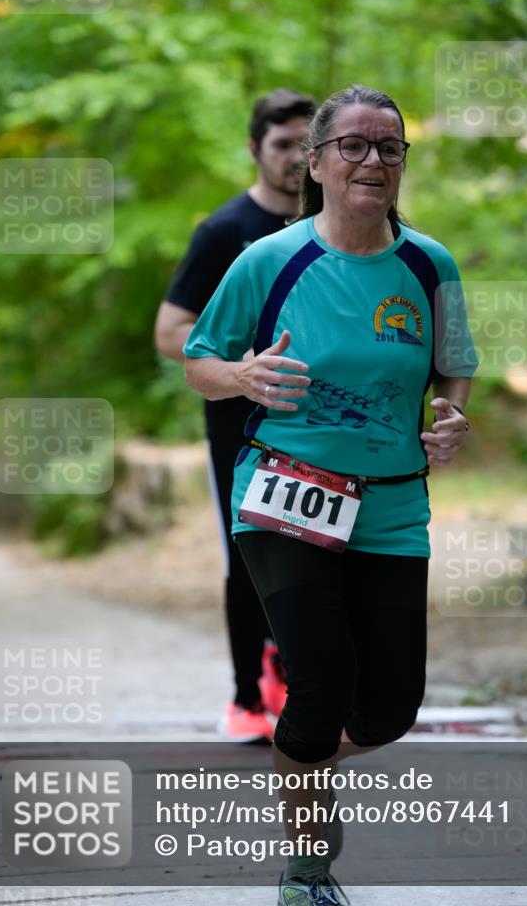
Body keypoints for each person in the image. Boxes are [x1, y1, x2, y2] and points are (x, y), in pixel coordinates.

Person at [184, 85, 477, 906]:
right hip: (284, 494)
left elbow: (454, 361)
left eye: (388, 146)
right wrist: (241, 374)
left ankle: (295, 761)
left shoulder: (428, 263)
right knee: (319, 681)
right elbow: (198, 362)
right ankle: (306, 868)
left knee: (387, 708)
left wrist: (449, 412)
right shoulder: (268, 260)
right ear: (313, 162)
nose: (371, 160)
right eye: (351, 144)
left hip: (390, 503)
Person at [155, 89, 318, 743]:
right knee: (249, 560)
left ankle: (298, 670)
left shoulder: (341, 225)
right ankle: (246, 697)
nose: (294, 159)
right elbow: (172, 332)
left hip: (322, 427)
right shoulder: (225, 230)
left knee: (316, 553)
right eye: (281, 145)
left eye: (307, 144)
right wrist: (243, 366)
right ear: (254, 149)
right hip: (240, 430)